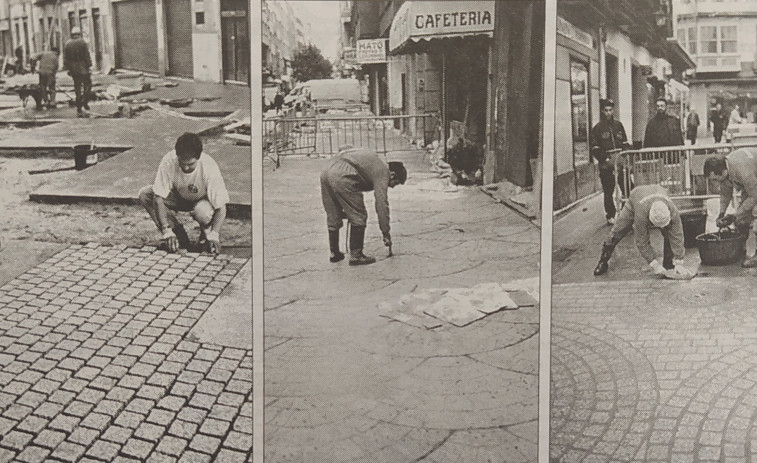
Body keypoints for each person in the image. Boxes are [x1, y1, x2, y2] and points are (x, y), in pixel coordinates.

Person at [138, 133, 229, 254]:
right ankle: (177, 234)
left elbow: (221, 206)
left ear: (198, 157)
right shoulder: (169, 161)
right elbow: (158, 197)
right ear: (177, 156)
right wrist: (166, 230)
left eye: (190, 164)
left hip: (201, 200)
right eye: (182, 163)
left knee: (203, 212)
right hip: (178, 196)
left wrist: (214, 234)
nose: (186, 168)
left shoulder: (209, 166)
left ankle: (206, 236)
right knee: (145, 194)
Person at [320, 146, 406, 265]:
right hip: (343, 175)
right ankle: (356, 255)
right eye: (394, 184)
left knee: (333, 213)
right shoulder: (383, 171)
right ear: (392, 174)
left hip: (326, 170)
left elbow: (344, 148)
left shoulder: (375, 161)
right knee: (359, 215)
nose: (391, 187)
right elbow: (382, 204)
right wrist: (386, 232)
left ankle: (334, 253)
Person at [593, 184, 692, 279]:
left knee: (669, 232)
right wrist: (654, 264)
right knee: (618, 230)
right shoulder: (641, 215)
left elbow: (677, 234)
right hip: (636, 198)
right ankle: (603, 260)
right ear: (649, 217)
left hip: (656, 193)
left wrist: (679, 261)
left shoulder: (673, 210)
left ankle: (669, 264)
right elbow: (642, 241)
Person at [704, 150, 757, 267]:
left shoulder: (743, 171)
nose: (716, 183)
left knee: (755, 219)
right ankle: (740, 249)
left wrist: (735, 215)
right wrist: (721, 213)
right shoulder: (725, 168)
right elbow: (725, 193)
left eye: (716, 179)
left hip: (754, 188)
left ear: (723, 172)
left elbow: (754, 196)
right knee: (741, 220)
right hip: (752, 186)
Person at [590, 98, 630, 224]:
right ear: (602, 111)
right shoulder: (597, 128)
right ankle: (610, 215)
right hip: (606, 165)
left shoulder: (619, 125)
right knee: (608, 191)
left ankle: (626, 213)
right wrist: (605, 158)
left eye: (610, 110)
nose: (608, 113)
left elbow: (625, 142)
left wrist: (624, 156)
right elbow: (594, 148)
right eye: (606, 110)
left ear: (613, 110)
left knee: (628, 187)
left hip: (620, 163)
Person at [63, 26, 92, 117]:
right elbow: (86, 55)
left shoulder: (67, 44)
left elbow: (65, 58)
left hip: (74, 69)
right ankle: (85, 100)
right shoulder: (82, 42)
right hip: (83, 68)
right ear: (79, 34)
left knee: (77, 87)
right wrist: (89, 65)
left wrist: (68, 68)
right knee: (88, 84)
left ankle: (79, 106)